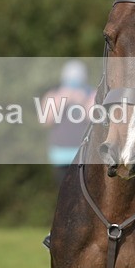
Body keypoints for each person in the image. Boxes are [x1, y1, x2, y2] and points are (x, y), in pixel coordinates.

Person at [40, 60, 95, 250]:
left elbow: (95, 118)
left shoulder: (91, 94)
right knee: (64, 197)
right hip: (60, 156)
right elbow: (45, 120)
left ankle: (85, 233)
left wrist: (83, 102)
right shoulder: (54, 95)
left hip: (84, 155)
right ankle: (59, 233)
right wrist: (62, 100)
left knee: (86, 196)